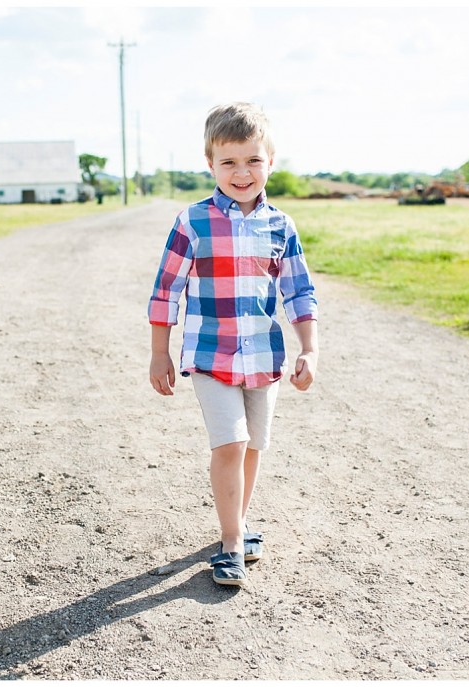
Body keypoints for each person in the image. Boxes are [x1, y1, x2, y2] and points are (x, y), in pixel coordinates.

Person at [148, 102, 319, 588]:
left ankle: (239, 524)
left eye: (252, 161)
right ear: (210, 164)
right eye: (229, 163)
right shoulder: (193, 222)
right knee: (232, 441)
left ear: (270, 162)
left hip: (264, 356)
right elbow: (166, 291)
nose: (241, 173)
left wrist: (309, 348)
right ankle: (229, 546)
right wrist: (160, 351)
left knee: (254, 447)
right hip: (209, 354)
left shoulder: (281, 227)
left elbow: (298, 292)